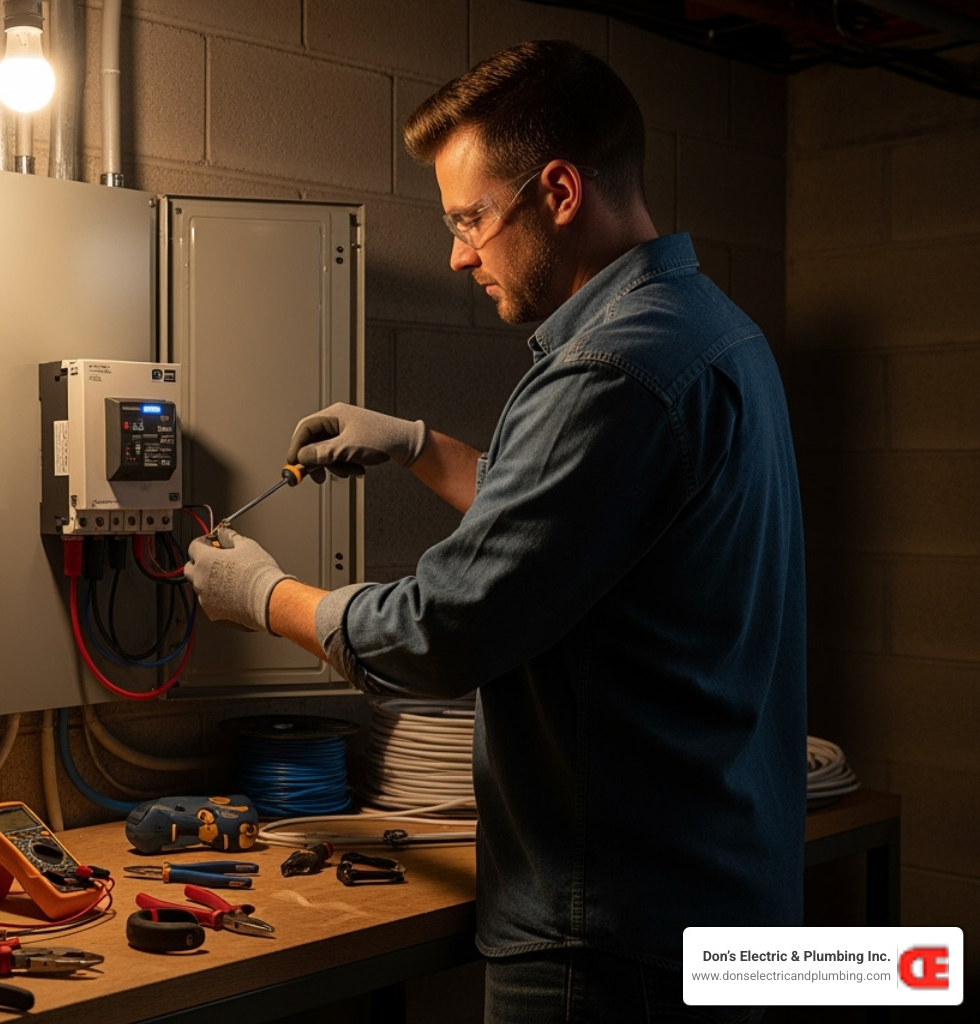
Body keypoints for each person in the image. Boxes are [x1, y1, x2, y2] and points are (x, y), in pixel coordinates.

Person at [184, 40, 804, 1024]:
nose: (458, 254)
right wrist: (421, 446)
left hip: (610, 937)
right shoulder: (711, 332)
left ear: (558, 190)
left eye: (472, 219)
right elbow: (578, 535)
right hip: (721, 900)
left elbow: (448, 628)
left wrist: (266, 597)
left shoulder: (614, 370)